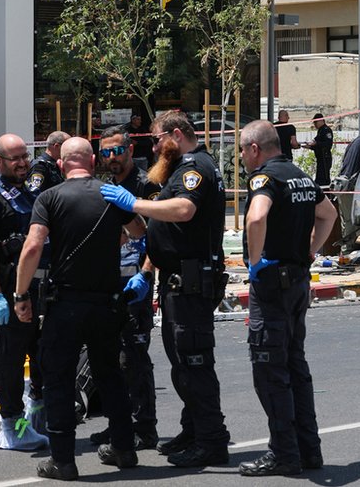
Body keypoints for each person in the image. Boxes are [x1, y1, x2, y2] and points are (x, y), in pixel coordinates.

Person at [100, 110, 231, 468]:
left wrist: (134, 204)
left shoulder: (195, 168)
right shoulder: (181, 167)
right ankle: (194, 430)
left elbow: (184, 209)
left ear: (175, 134)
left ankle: (211, 440)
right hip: (178, 280)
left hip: (190, 282)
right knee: (182, 363)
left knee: (194, 362)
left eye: (157, 139)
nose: (154, 146)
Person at [15, 137, 145, 480]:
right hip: (107, 302)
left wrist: (20, 293)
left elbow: (32, 246)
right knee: (111, 376)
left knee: (58, 378)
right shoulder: (110, 193)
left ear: (61, 164)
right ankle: (124, 447)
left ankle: (63, 460)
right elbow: (137, 230)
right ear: (92, 161)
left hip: (67, 304)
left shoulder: (50, 197)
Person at [236, 121, 337, 476]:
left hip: (273, 285)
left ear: (254, 149)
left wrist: (253, 261)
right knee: (296, 367)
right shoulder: (300, 176)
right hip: (296, 280)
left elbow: (257, 217)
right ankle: (309, 450)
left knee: (269, 372)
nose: (242, 158)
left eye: (242, 151)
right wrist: (310, 251)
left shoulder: (265, 178)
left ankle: (283, 453)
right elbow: (329, 215)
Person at [87, 126, 161, 451]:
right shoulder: (107, 186)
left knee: (134, 358)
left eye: (117, 150)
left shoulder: (146, 185)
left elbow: (158, 237)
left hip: (136, 284)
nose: (112, 157)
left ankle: (144, 428)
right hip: (110, 283)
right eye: (106, 152)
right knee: (112, 358)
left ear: (130, 150)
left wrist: (146, 275)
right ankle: (121, 424)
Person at [0, 134, 49, 452]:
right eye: (15, 158)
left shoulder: (25, 189)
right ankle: (13, 428)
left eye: (25, 157)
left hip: (32, 291)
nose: (23, 163)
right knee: (8, 363)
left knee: (41, 355)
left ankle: (35, 416)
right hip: (7, 294)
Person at [26, 131, 69, 195]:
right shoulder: (40, 167)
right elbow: (34, 193)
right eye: (67, 146)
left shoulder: (54, 164)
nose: (69, 149)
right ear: (56, 146)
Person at [302, 113, 334, 187]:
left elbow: (327, 144)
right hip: (320, 158)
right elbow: (316, 143)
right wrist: (309, 146)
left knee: (324, 178)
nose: (315, 124)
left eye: (315, 122)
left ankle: (326, 194)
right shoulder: (320, 131)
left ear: (321, 121)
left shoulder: (326, 130)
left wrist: (315, 144)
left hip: (325, 157)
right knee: (319, 178)